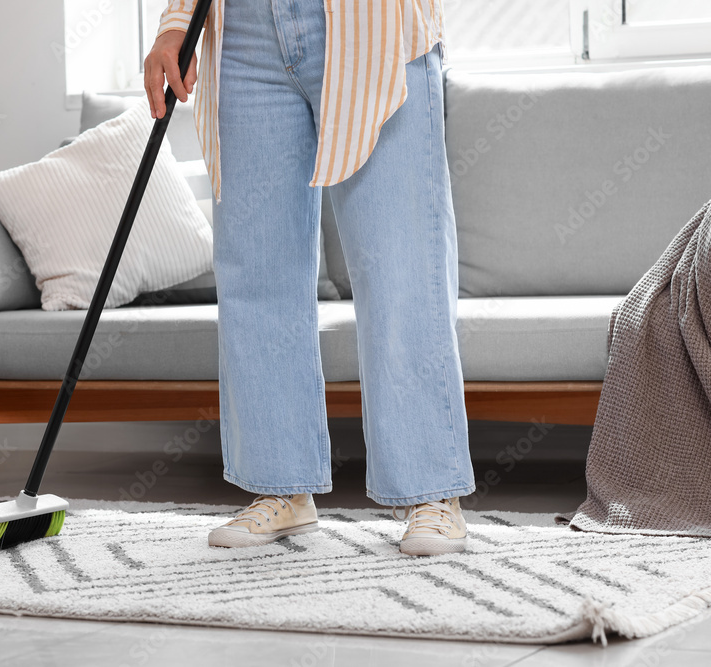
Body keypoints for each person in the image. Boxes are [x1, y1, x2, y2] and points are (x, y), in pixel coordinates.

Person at [144, 0, 475, 556]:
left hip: (372, 25)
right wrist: (176, 24)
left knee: (401, 263)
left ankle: (431, 490)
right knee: (257, 268)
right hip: (243, 34)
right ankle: (281, 487)